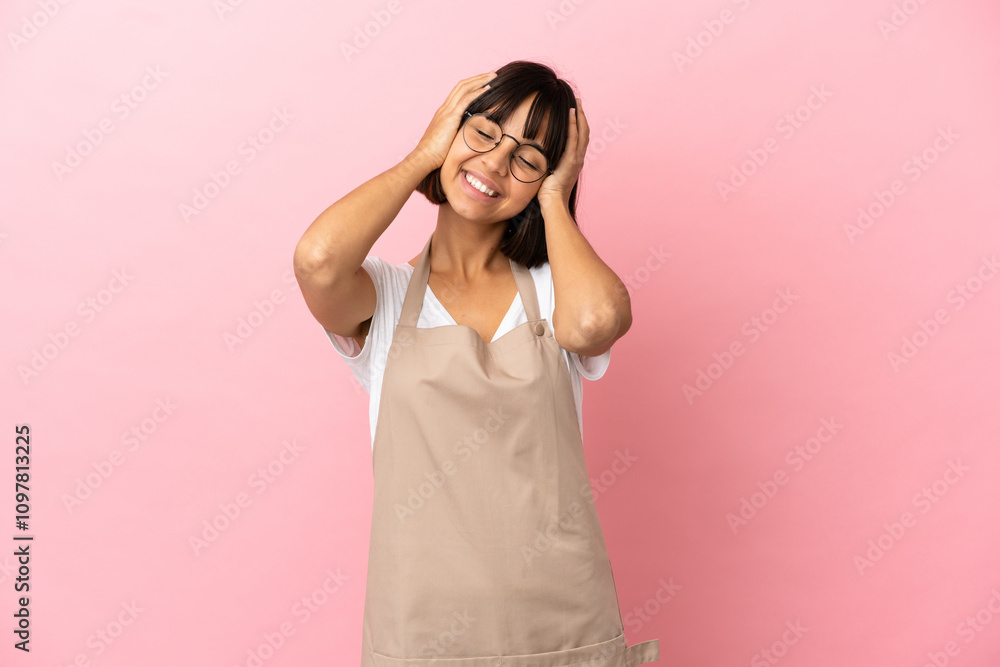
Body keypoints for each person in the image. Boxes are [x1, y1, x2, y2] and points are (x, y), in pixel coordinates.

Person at [293, 60, 660, 666]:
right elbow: (317, 261)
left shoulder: (555, 291)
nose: (494, 164)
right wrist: (423, 156)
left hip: (564, 624)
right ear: (451, 129)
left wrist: (555, 199)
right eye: (484, 133)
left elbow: (595, 323)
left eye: (528, 160)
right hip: (421, 634)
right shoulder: (383, 298)